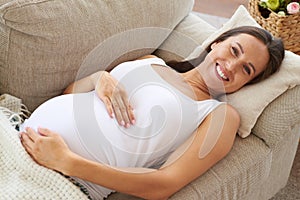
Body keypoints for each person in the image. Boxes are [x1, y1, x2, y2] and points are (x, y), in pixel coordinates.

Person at [20, 26, 284, 200]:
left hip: (64, 181)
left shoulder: (220, 116)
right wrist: (98, 78)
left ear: (246, 84)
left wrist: (67, 161)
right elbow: (71, 97)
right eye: (234, 50)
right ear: (216, 43)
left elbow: (165, 184)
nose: (232, 65)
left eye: (247, 70)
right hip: (21, 135)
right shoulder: (151, 61)